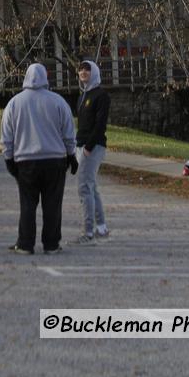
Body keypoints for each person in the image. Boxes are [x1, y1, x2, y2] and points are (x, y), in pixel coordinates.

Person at [1, 63, 77, 256]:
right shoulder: (58, 101)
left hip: (26, 159)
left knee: (27, 203)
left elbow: (7, 135)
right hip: (54, 159)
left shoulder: (15, 103)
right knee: (52, 203)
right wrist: (71, 154)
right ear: (46, 77)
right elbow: (68, 132)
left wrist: (8, 158)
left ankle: (25, 243)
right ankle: (51, 244)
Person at [75, 60, 110, 244]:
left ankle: (87, 232)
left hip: (93, 147)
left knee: (83, 187)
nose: (83, 72)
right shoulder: (82, 96)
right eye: (80, 69)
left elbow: (99, 125)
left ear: (94, 72)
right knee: (92, 187)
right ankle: (101, 227)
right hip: (80, 146)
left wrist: (88, 147)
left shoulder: (101, 95)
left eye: (87, 69)